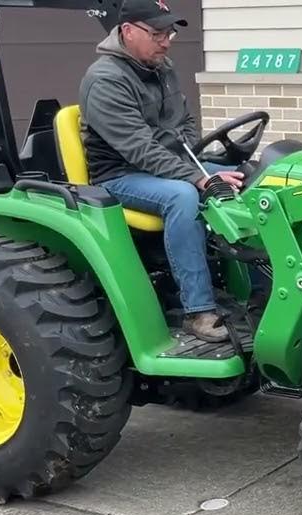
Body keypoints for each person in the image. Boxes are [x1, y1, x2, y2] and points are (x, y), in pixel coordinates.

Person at [79, 0, 244, 342]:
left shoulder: (162, 68)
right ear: (127, 31)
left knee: (250, 177)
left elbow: (183, 122)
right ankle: (198, 311)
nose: (166, 41)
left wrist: (196, 159)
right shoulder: (106, 80)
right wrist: (198, 176)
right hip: (122, 174)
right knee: (183, 197)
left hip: (165, 166)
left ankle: (256, 291)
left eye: (169, 33)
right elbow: (140, 148)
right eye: (157, 34)